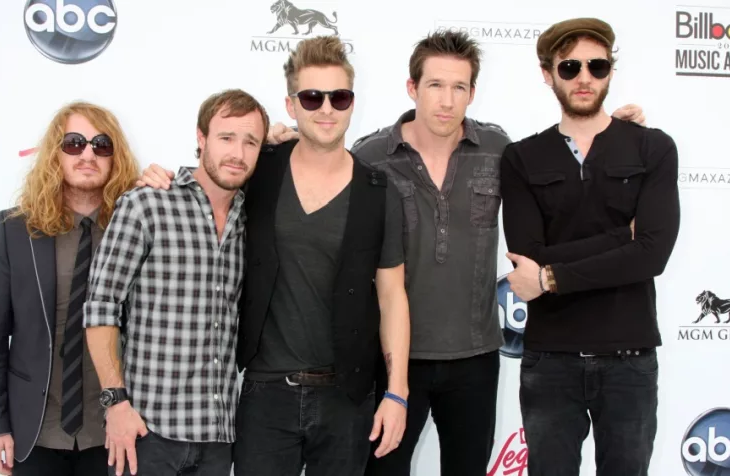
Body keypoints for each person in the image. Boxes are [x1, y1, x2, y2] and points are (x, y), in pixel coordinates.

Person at [227, 30, 648, 476]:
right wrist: (280, 139)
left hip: (476, 359)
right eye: (434, 85)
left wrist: (606, 132)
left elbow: (557, 178)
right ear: (412, 88)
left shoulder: (498, 151)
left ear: (472, 93)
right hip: (389, 363)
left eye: (458, 87)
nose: (446, 100)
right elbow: (320, 155)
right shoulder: (373, 156)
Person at [136, 36, 411, 476]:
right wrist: (159, 176)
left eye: (339, 97)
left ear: (352, 103)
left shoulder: (379, 192)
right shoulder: (259, 168)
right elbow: (213, 171)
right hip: (266, 394)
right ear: (291, 104)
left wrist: (396, 393)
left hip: (348, 396)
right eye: (312, 97)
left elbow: (393, 295)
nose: (326, 109)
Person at [500, 18, 680, 476]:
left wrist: (550, 278)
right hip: (550, 362)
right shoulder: (522, 158)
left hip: (629, 361)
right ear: (548, 74)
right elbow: (527, 258)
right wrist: (626, 238)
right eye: (570, 67)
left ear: (609, 73)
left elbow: (653, 255)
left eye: (597, 66)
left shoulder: (652, 148)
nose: (584, 77)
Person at [81, 89, 270, 476]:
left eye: (251, 141)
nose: (238, 152)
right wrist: (115, 403)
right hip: (148, 434)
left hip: (218, 438)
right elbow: (101, 307)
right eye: (226, 137)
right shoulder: (147, 204)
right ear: (201, 139)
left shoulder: (254, 216)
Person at [0, 101, 140, 476]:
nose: (87, 154)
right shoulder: (16, 229)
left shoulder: (137, 227)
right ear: (55, 153)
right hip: (35, 431)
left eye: (101, 145)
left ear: (116, 157)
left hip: (116, 432)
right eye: (74, 143)